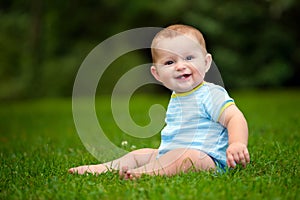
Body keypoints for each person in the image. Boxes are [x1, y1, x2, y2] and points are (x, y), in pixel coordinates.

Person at [69, 24, 250, 179]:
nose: (181, 66)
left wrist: (237, 144)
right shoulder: (176, 97)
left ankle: (145, 173)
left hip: (208, 159)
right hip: (171, 155)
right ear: (157, 74)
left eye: (189, 58)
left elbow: (234, 117)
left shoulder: (210, 93)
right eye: (170, 62)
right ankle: (101, 168)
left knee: (187, 157)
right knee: (139, 154)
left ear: (206, 62)